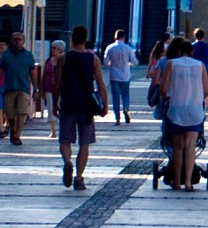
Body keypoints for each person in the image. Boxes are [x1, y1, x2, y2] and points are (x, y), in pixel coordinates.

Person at [57, 25, 108, 190]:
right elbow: (101, 84)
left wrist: (55, 102)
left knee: (65, 139)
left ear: (72, 38)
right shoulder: (93, 60)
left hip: (68, 104)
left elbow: (57, 83)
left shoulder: (63, 58)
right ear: (86, 39)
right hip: (87, 106)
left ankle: (67, 162)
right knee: (84, 143)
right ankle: (79, 177)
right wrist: (105, 105)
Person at [160, 34, 208, 190]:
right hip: (195, 110)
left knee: (177, 147)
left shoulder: (171, 64)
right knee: (190, 147)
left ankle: (176, 181)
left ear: (178, 51)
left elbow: (163, 89)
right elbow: (207, 90)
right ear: (192, 52)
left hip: (176, 110)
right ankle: (188, 182)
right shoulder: (200, 65)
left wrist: (169, 96)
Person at [0, 29, 37, 146]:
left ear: (23, 41)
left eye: (19, 39)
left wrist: (36, 88)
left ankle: (17, 135)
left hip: (23, 88)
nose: (17, 42)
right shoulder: (6, 55)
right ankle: (12, 128)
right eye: (14, 39)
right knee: (10, 114)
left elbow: (33, 73)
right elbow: (0, 70)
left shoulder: (28, 56)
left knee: (22, 112)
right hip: (9, 88)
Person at [103, 28, 136, 123]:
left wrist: (111, 64)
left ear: (115, 37)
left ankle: (117, 118)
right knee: (125, 95)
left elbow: (105, 61)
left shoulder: (110, 48)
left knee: (115, 96)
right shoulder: (128, 48)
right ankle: (126, 108)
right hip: (125, 75)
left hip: (114, 75)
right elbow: (134, 61)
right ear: (124, 37)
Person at [41, 37, 66, 126]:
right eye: (52, 48)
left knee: (61, 108)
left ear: (60, 50)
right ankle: (53, 130)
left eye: (54, 48)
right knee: (50, 108)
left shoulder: (65, 60)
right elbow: (44, 74)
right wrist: (42, 89)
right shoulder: (48, 60)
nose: (52, 50)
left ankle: (62, 127)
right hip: (49, 88)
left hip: (62, 90)